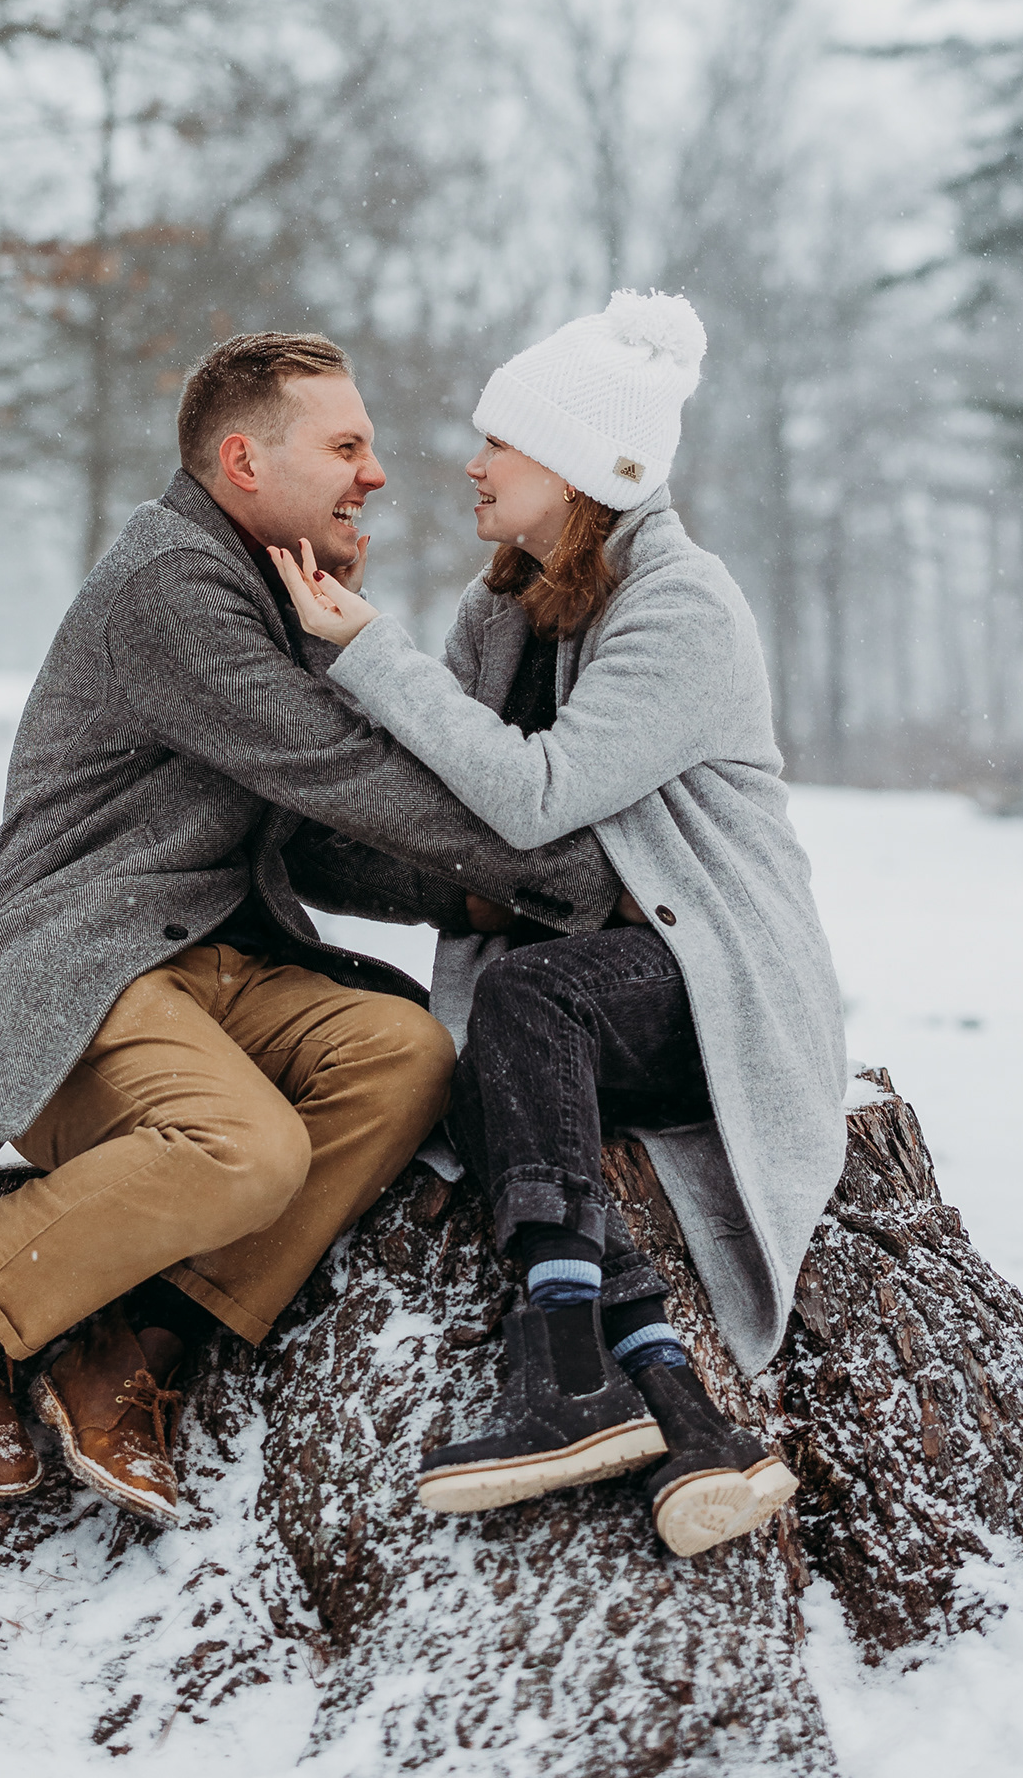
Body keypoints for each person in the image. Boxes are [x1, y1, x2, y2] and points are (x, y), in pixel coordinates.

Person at [0, 330, 621, 1526]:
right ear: (245, 460)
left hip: (216, 961)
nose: (377, 474)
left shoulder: (262, 593)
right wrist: (563, 867)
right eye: (347, 447)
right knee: (249, 1151)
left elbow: (311, 834)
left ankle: (146, 1342)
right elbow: (335, 766)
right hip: (89, 974)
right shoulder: (173, 586)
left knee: (406, 1057)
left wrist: (473, 896)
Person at [271, 289, 849, 1558]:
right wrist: (324, 668)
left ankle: (557, 1376)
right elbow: (440, 795)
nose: (471, 463)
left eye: (502, 443)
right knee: (471, 1060)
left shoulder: (681, 607)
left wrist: (373, 652)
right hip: (576, 986)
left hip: (720, 986)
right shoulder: (504, 613)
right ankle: (677, 1415)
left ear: (587, 468)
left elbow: (534, 799)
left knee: (528, 1005)